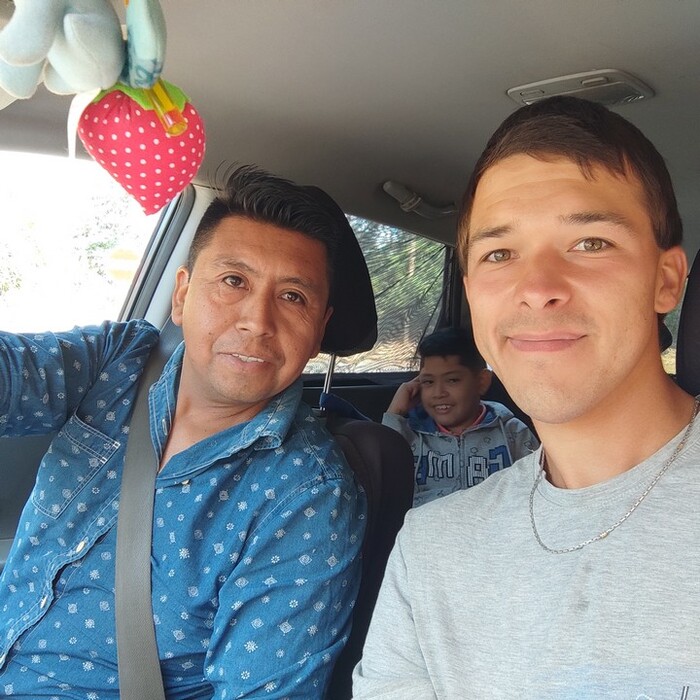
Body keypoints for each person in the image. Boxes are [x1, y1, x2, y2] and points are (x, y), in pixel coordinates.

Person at [353, 95, 699, 698]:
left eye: (590, 242)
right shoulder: (429, 549)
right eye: (500, 254)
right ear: (472, 294)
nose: (537, 288)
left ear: (665, 280)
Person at [0, 165, 369, 698]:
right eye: (234, 281)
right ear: (181, 295)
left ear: (319, 331)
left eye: (293, 296)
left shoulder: (308, 495)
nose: (257, 321)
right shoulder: (118, 361)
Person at [383, 326, 537, 506]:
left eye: (452, 380)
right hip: (428, 522)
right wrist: (395, 412)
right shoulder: (409, 435)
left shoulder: (513, 433)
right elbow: (381, 478)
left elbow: (536, 488)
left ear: (481, 382)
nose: (438, 393)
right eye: (428, 382)